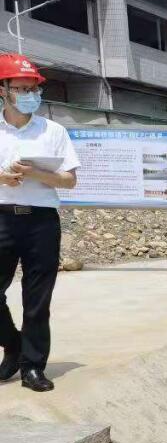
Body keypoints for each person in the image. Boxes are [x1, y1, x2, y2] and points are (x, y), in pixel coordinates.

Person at [0, 54, 78, 393]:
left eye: (33, 89)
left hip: (41, 222)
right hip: (1, 216)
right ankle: (13, 345)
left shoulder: (53, 130)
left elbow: (69, 180)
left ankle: (32, 366)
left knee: (37, 300)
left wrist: (35, 173)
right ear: (3, 90)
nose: (29, 95)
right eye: (20, 88)